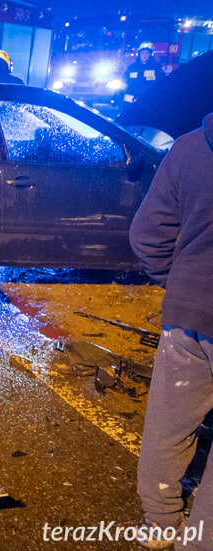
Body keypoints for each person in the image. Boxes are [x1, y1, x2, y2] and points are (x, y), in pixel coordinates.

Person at [129, 112, 213, 550]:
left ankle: (159, 525)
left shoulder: (189, 148)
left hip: (187, 316)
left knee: (168, 425)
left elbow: (147, 235)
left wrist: (181, 288)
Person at [123, 41, 164, 106]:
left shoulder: (156, 68)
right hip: (130, 102)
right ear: (139, 54)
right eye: (142, 53)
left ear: (151, 54)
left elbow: (161, 84)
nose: (144, 55)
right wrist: (116, 96)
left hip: (148, 102)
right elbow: (123, 82)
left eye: (147, 53)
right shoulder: (132, 67)